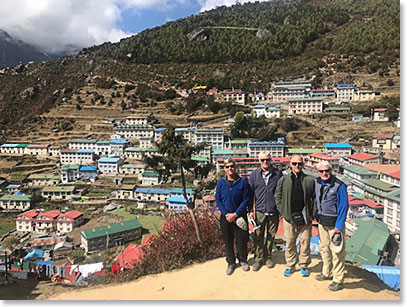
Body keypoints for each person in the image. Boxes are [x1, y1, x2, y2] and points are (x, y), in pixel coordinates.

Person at [275, 154, 315, 277]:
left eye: (299, 163)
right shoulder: (284, 180)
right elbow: (278, 196)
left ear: (303, 165)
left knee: (305, 243)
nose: (297, 166)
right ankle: (290, 265)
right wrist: (282, 211)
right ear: (290, 164)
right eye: (294, 163)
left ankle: (303, 265)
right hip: (289, 218)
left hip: (305, 218)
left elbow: (314, 199)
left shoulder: (309, 180)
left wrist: (311, 215)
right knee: (290, 243)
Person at [314, 161, 349, 291]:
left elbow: (344, 207)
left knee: (337, 252)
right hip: (322, 223)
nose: (324, 173)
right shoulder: (317, 182)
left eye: (327, 170)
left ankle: (338, 279)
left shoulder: (339, 186)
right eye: (321, 171)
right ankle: (326, 272)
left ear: (331, 170)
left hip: (335, 225)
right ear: (318, 172)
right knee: (324, 248)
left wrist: (339, 227)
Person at [215, 158, 251, 275]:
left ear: (235, 168)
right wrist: (226, 214)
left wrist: (235, 214)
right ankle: (231, 262)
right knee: (228, 240)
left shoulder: (243, 182)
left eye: (232, 166)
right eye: (227, 167)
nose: (230, 168)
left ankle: (243, 260)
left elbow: (246, 199)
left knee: (241, 240)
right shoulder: (221, 182)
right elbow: (218, 199)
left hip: (239, 216)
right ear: (224, 169)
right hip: (225, 217)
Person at [248, 151, 282, 271]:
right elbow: (250, 194)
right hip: (259, 211)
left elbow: (281, 192)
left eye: (267, 160)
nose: (265, 162)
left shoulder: (278, 174)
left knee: (271, 235)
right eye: (262, 160)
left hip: (274, 210)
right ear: (259, 161)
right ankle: (258, 258)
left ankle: (268, 256)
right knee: (258, 235)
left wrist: (281, 209)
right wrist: (250, 210)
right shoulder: (254, 175)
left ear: (271, 160)